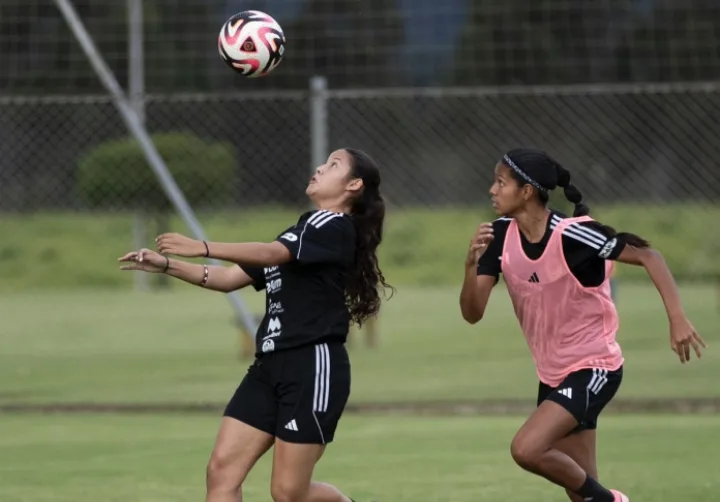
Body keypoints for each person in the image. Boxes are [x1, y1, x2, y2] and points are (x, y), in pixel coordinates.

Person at [119, 148, 392, 502]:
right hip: (269, 366)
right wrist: (167, 265)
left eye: (332, 165)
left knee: (288, 493)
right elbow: (228, 278)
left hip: (311, 366)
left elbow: (271, 253)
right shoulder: (301, 231)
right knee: (221, 472)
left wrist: (201, 246)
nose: (319, 168)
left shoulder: (330, 225)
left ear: (353, 185)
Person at [459, 148, 706, 502]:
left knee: (526, 449)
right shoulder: (498, 236)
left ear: (526, 191)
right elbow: (472, 313)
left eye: (500, 182)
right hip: (552, 374)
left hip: (595, 367)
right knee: (581, 493)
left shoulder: (572, 234)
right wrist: (470, 267)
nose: (491, 190)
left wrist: (677, 318)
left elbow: (649, 256)